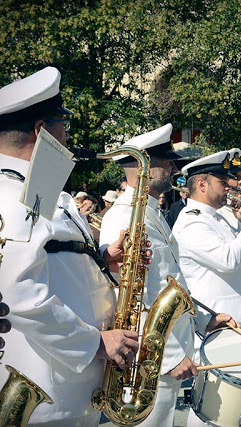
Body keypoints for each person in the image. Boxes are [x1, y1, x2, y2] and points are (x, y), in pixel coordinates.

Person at [0, 67, 139, 426]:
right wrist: (94, 344)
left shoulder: (42, 190)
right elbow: (18, 293)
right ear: (42, 131)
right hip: (49, 391)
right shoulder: (13, 197)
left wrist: (104, 260)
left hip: (72, 388)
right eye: (63, 126)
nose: (68, 136)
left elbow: (50, 260)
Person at [100, 124, 234, 427]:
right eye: (166, 160)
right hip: (148, 361)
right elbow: (129, 297)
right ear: (144, 165)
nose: (174, 167)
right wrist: (170, 356)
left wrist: (203, 320)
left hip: (159, 356)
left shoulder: (150, 212)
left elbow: (170, 284)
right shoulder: (123, 216)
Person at [172, 151, 241, 330]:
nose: (228, 188)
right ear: (202, 185)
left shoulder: (217, 217)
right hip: (221, 321)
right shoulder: (192, 222)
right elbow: (228, 260)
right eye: (222, 182)